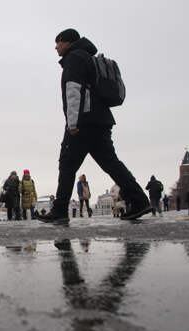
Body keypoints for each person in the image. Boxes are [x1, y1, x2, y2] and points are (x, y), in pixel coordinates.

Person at [38, 29, 151, 224]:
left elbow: (73, 91)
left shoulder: (74, 59)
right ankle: (140, 200)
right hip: (101, 120)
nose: (56, 47)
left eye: (58, 43)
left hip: (83, 123)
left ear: (67, 42)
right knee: (111, 163)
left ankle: (59, 210)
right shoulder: (89, 58)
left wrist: (73, 123)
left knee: (66, 165)